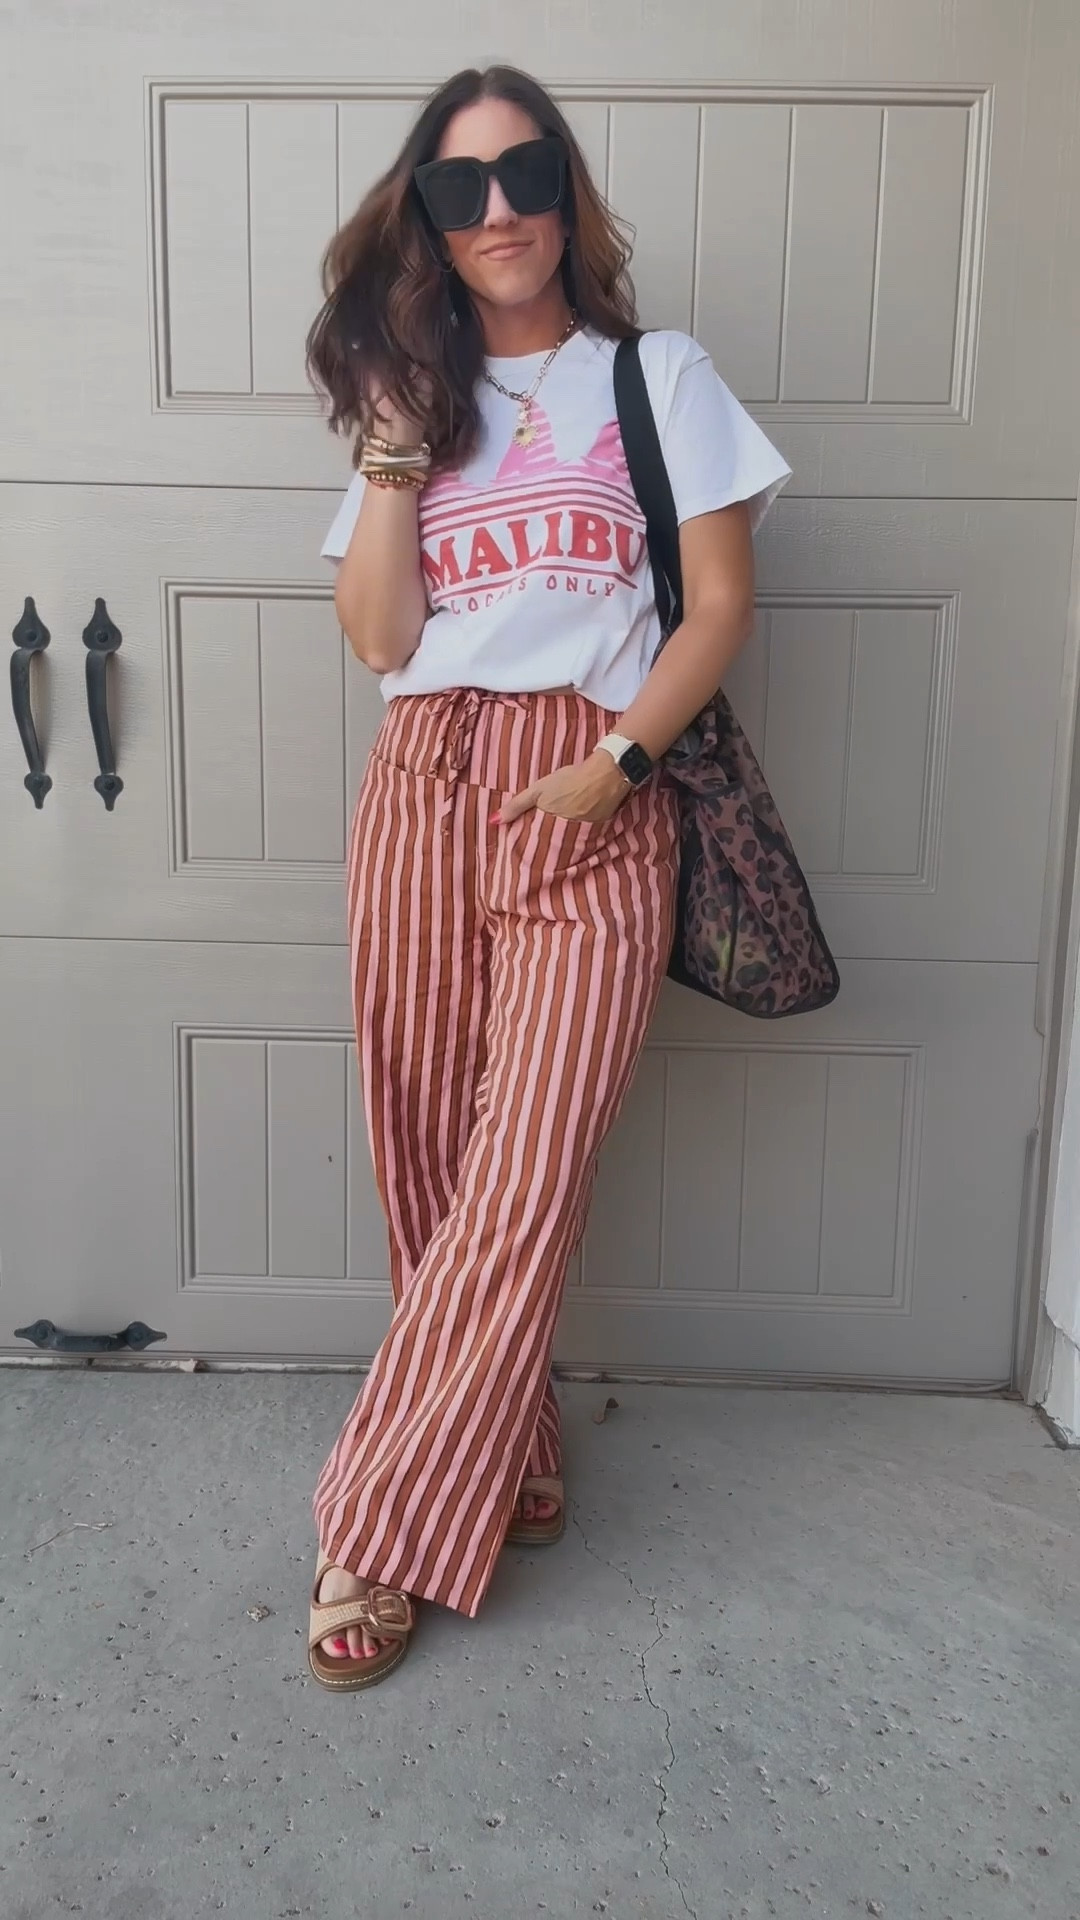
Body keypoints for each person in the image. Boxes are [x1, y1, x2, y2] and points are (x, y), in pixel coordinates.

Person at [305, 63, 791, 1690]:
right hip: (426, 780)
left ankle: (372, 1530)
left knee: (526, 1174)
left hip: (591, 787)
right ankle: (504, 1442)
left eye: (523, 176)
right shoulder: (410, 398)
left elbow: (717, 606)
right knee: (426, 1150)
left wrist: (622, 764)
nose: (496, 210)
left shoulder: (654, 377)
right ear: (426, 221)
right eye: (458, 189)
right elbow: (378, 637)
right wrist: (386, 453)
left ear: (566, 193)